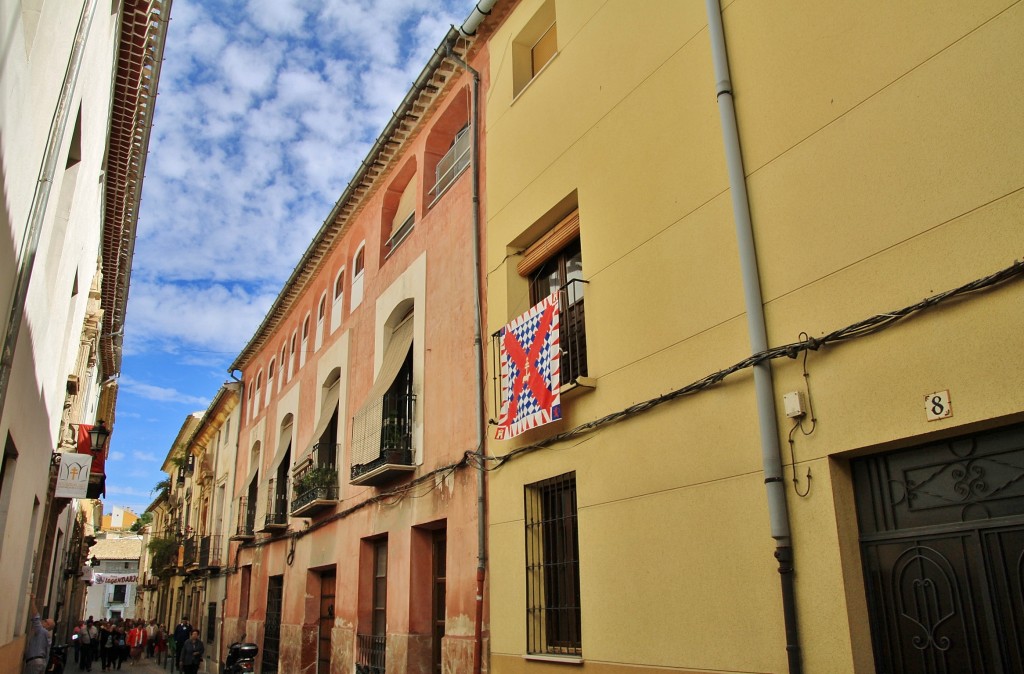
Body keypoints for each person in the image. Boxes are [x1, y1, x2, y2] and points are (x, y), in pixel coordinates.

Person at [22, 594, 53, 674]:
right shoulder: (48, 636)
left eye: (45, 621)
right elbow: (48, 653)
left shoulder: (41, 631)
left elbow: (36, 617)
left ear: (48, 625)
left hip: (34, 662)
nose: (43, 621)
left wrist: (32, 601)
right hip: (41, 662)